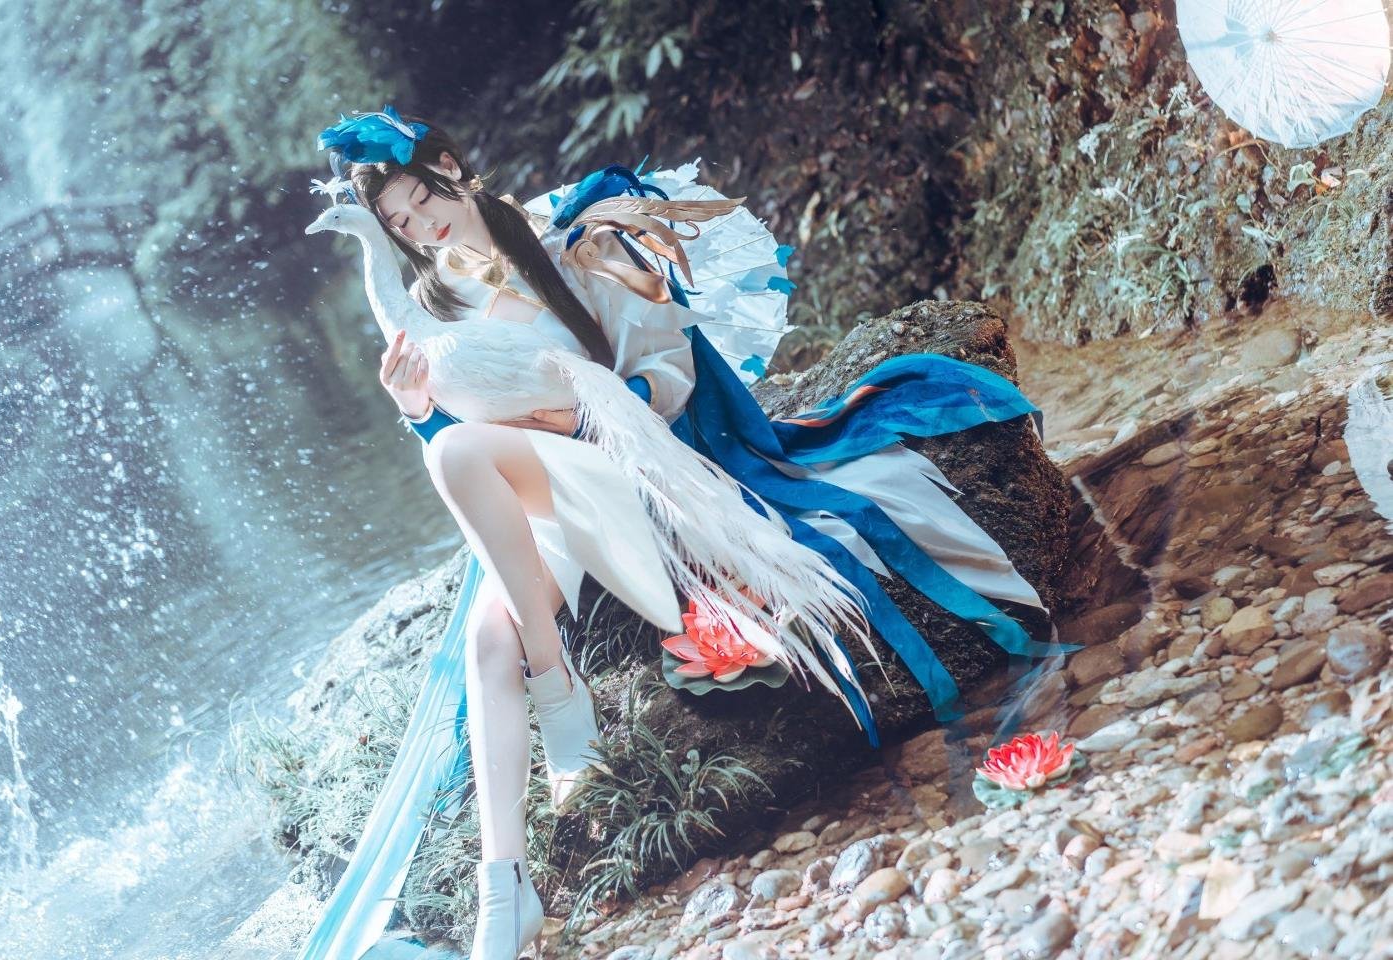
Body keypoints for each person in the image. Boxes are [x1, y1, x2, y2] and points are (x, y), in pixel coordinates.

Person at [299, 107, 1070, 960]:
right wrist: (417, 410)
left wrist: (580, 417)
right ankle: (503, 889)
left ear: (451, 168)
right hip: (535, 498)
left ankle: (559, 694)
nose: (421, 227)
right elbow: (462, 436)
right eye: (400, 223)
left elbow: (667, 371)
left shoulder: (576, 246)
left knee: (459, 462)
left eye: (421, 200)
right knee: (487, 634)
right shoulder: (432, 302)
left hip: (621, 470)